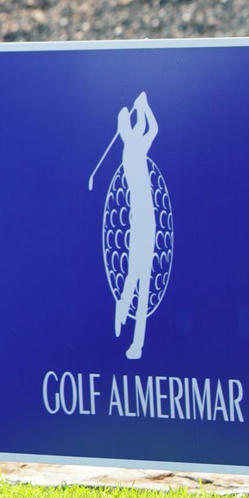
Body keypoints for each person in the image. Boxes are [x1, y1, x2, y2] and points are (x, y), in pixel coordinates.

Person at [114, 91, 158, 360]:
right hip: (143, 222)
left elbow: (144, 127)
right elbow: (152, 128)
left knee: (140, 279)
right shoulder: (133, 149)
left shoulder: (130, 147)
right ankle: (122, 310)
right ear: (125, 130)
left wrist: (141, 109)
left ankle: (135, 341)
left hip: (145, 221)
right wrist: (144, 106)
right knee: (138, 278)